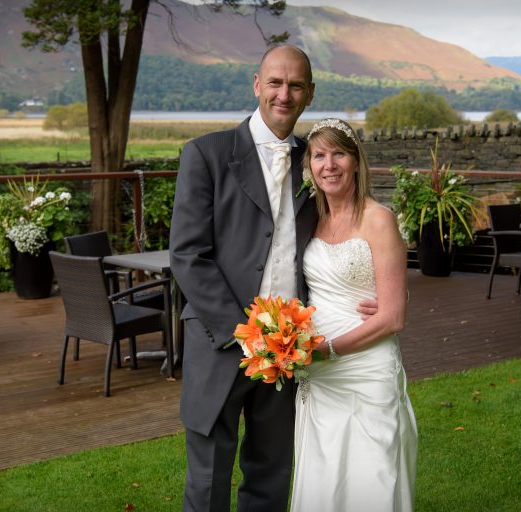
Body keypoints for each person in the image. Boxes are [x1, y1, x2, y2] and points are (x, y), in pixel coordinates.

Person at [170, 47, 376, 511]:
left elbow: (352, 227)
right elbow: (187, 255)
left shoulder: (317, 160)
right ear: (257, 84)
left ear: (309, 94)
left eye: (296, 85)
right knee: (208, 475)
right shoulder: (206, 154)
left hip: (291, 345)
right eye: (276, 83)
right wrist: (243, 333)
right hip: (218, 339)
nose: (285, 94)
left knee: (272, 469)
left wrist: (374, 291)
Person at [290, 118, 418, 512]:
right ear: (309, 166)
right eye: (319, 156)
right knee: (323, 476)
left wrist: (327, 349)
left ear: (356, 161)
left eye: (339, 154)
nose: (329, 165)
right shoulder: (308, 217)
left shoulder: (379, 219)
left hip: (364, 366)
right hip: (317, 372)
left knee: (371, 476)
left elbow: (394, 316)